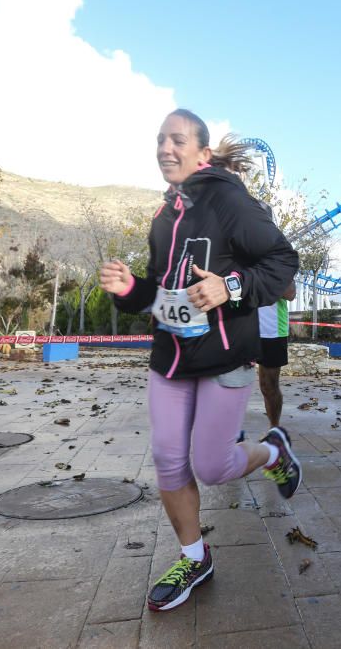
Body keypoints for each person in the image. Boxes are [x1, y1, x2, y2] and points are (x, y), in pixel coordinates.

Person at [99, 109, 302, 612]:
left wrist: (230, 286)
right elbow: (158, 292)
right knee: (169, 458)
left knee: (211, 467)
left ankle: (273, 452)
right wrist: (130, 290)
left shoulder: (230, 200)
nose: (166, 148)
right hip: (168, 358)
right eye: (160, 140)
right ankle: (195, 556)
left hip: (225, 357)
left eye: (178, 140)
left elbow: (282, 262)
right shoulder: (164, 215)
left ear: (202, 153)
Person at [256, 283, 296, 433]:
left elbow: (290, 293)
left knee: (268, 386)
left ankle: (274, 431)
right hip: (244, 327)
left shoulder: (278, 260)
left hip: (271, 330)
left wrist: (261, 277)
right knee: (232, 383)